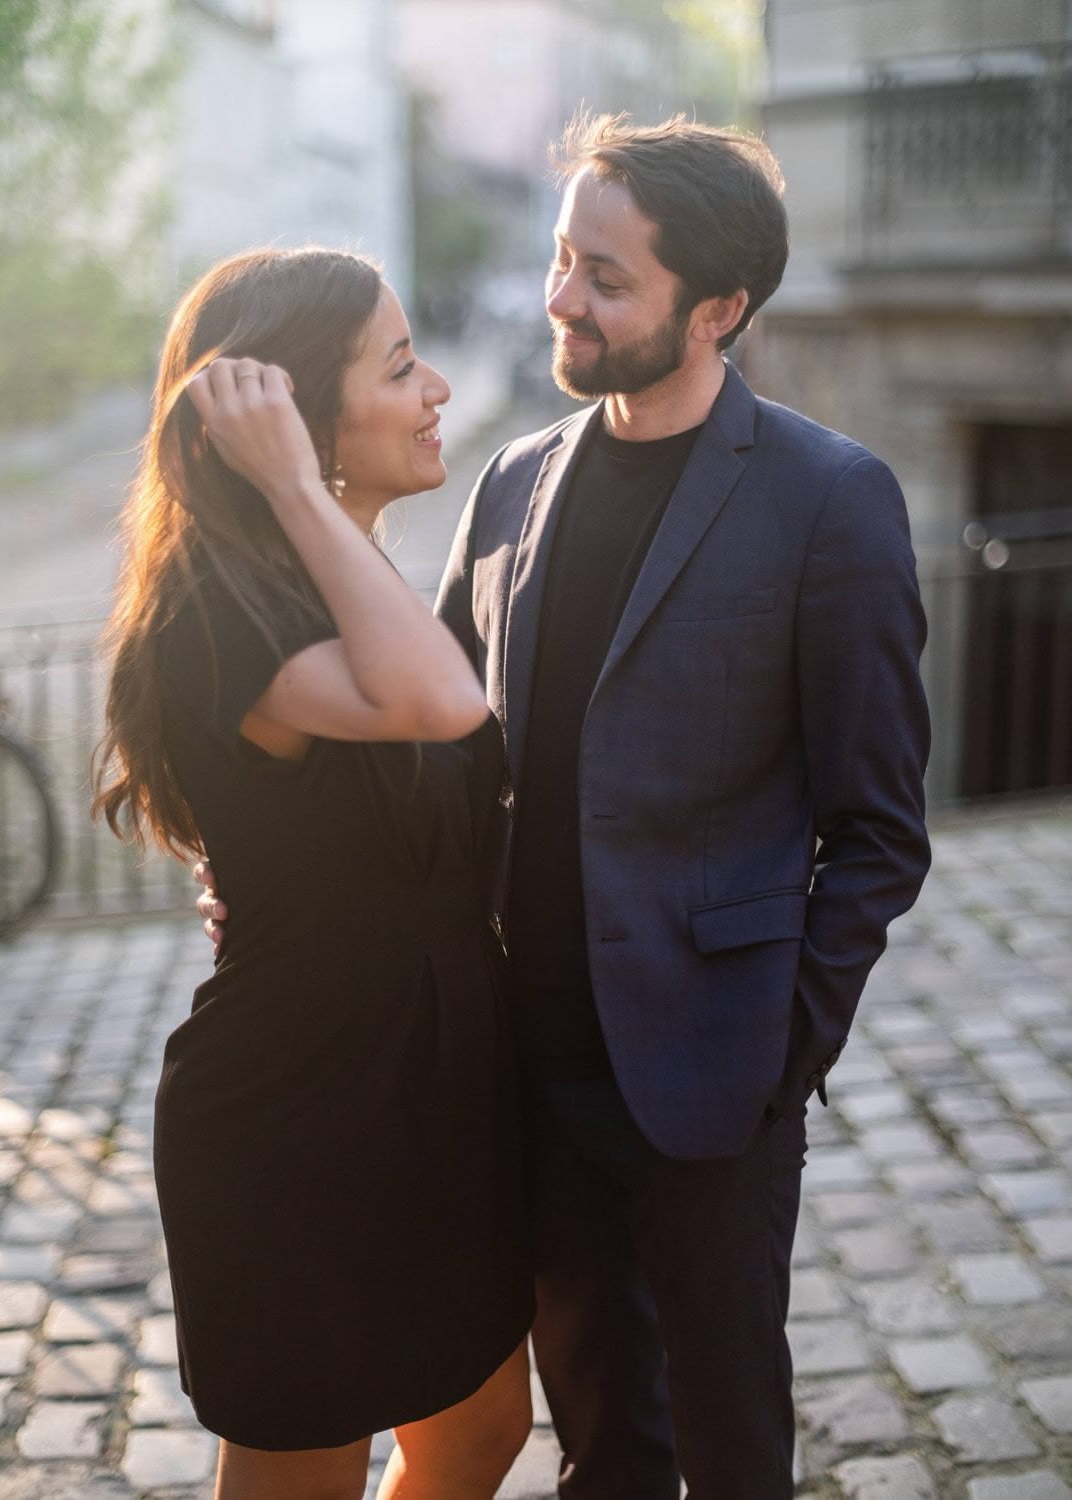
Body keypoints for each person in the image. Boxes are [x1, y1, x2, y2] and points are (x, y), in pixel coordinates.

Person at [202, 115, 932, 1497]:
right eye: (560, 258)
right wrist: (280, 860)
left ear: (716, 310)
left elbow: (881, 826)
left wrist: (782, 1045)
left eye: (607, 277)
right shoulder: (513, 479)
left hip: (710, 1073)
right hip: (519, 1063)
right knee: (600, 1435)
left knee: (724, 1437)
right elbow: (424, 737)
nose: (561, 300)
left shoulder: (831, 500)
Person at [93, 246, 534, 1500]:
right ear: (295, 413)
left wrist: (322, 509)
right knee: (308, 1470)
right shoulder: (216, 611)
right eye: (400, 366)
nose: (440, 386)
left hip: (434, 1091)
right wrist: (296, 485)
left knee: (479, 1428)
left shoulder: (334, 580)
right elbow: (441, 702)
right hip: (305, 1115)